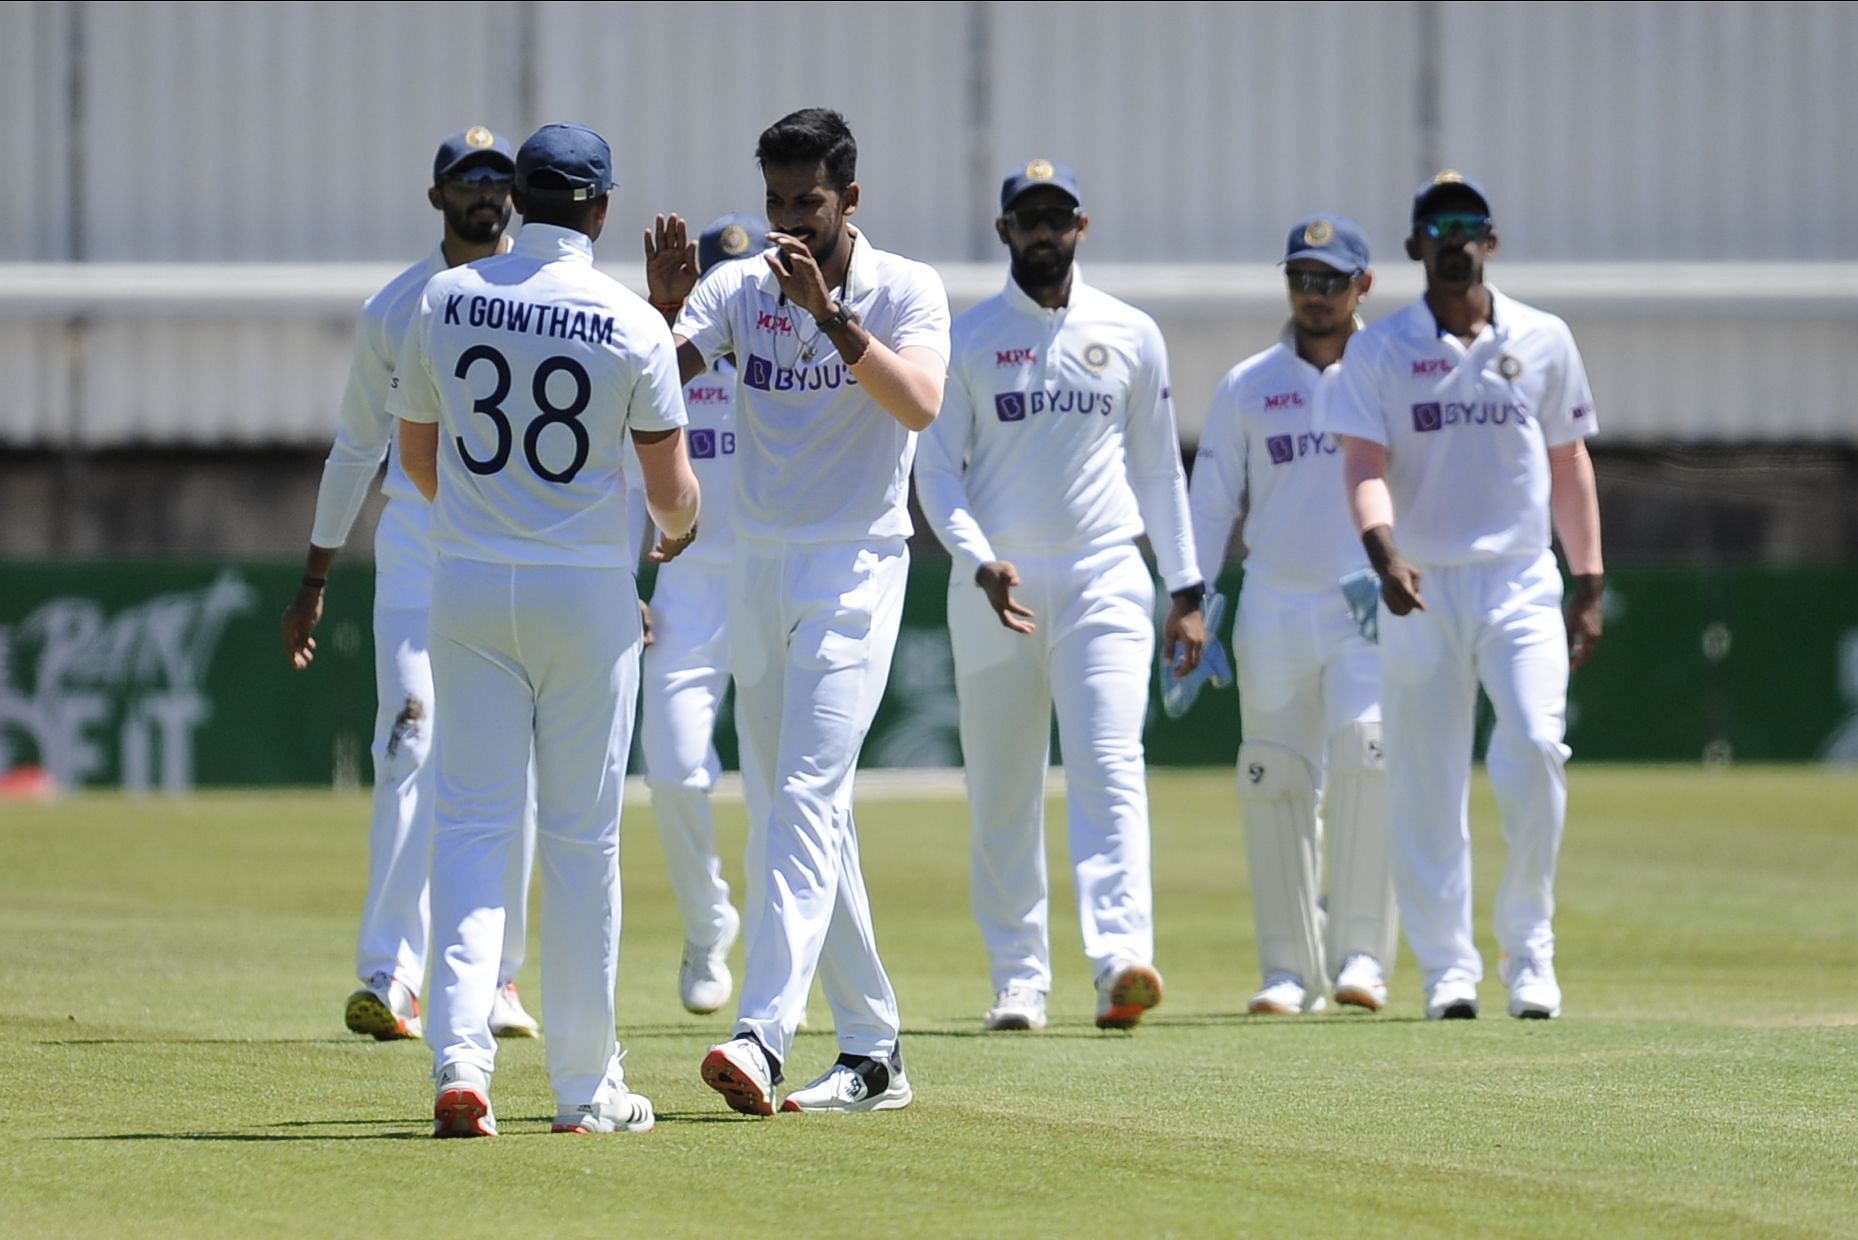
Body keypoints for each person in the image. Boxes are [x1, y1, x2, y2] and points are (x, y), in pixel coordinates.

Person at [390, 123, 700, 1136]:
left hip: (470, 584)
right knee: (580, 841)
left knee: (471, 827)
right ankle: (581, 1089)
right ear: (602, 209)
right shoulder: (631, 322)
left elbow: (421, 461)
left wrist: (489, 520)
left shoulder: (444, 297)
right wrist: (677, 534)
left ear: (516, 198)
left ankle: (460, 1064)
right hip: (585, 596)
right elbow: (672, 501)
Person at [644, 107, 948, 1114]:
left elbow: (917, 404)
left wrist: (827, 314)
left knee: (807, 799)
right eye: (775, 201)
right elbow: (652, 387)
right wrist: (657, 312)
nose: (788, 222)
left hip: (857, 567)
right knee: (796, 810)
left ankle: (763, 1032)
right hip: (758, 573)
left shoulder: (907, 287)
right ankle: (872, 1049)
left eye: (807, 202)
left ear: (849, 198)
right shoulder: (739, 286)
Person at [914, 159, 1205, 1034]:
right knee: (1003, 785)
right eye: (1027, 219)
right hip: (995, 585)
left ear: (1083, 227)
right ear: (1003, 231)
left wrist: (1186, 587)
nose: (1044, 233)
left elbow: (1158, 467)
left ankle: (1120, 960)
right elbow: (935, 469)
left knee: (1110, 766)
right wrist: (976, 558)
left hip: (1106, 574)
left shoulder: (1130, 332)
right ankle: (1018, 977)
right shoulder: (967, 339)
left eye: (1058, 218)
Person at [1318, 171, 1605, 1021]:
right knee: (1424, 779)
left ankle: (1530, 951)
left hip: (1520, 577)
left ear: (1492, 241)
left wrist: (1588, 581)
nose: (1455, 239)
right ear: (1415, 247)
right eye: (1438, 227)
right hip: (1420, 585)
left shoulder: (1545, 339)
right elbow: (1363, 465)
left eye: (1469, 225)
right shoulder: (1380, 350)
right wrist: (1383, 550)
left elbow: (1569, 463)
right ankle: (1449, 967)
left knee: (1537, 747)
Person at [280, 126, 539, 1043]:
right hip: (424, 545)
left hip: (517, 545)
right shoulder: (393, 309)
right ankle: (392, 972)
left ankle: (501, 978)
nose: (484, 193)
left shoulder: (540, 296)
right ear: (436, 198)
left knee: (513, 761)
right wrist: (316, 574)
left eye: (497, 179)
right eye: (466, 180)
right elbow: (356, 446)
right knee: (412, 738)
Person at [1188, 215, 1396, 1017]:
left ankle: (1363, 959)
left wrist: (1407, 570)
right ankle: (1285, 968)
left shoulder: (1391, 370)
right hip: (1274, 598)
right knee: (1273, 777)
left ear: (1362, 286)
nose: (1314, 296)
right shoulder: (1250, 383)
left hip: (1370, 603)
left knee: (1368, 759)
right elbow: (1211, 503)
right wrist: (1191, 601)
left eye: (1331, 281)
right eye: (1301, 280)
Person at [625, 212, 770, 1016]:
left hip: (772, 577)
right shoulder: (657, 354)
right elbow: (619, 474)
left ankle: (785, 954)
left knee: (788, 785)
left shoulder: (783, 347)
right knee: (676, 771)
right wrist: (622, 581)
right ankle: (708, 923)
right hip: (682, 583)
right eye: (709, 276)